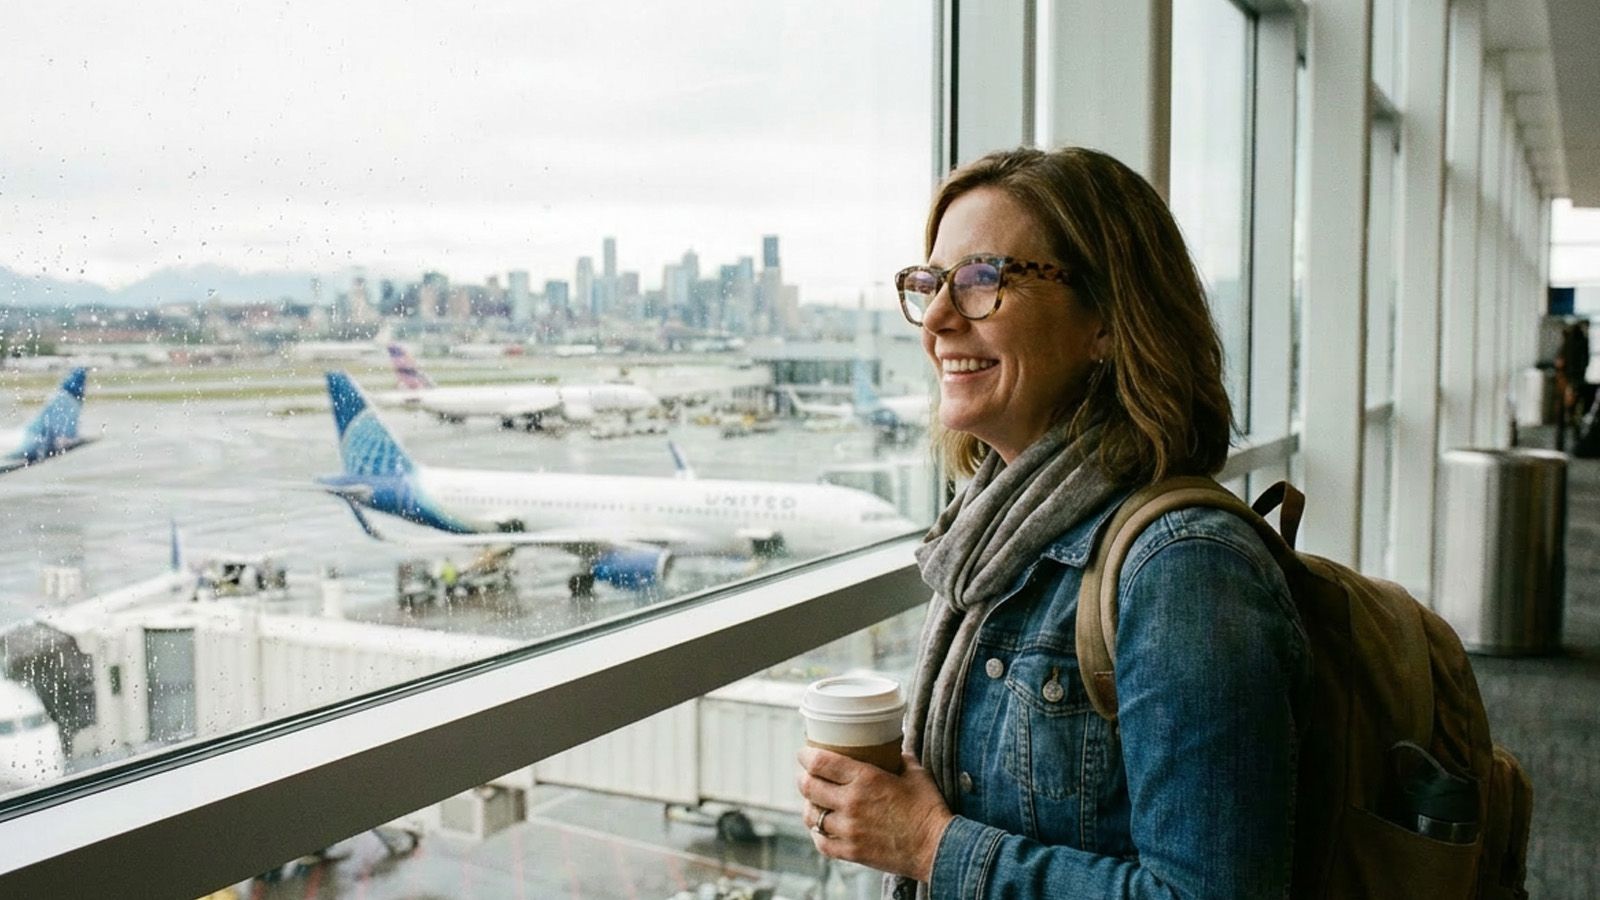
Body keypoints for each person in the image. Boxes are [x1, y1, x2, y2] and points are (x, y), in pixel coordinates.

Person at [796, 147, 1310, 898]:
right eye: (930, 283)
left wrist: (930, 844)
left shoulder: (1183, 568)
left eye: (981, 279)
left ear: (1106, 319)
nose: (937, 318)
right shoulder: (997, 537)